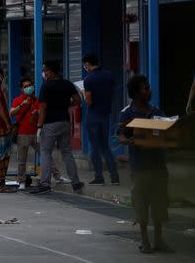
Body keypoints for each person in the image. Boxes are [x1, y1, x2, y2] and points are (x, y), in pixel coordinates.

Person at [117, 75, 175, 254]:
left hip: (158, 164)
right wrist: (130, 141)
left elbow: (168, 131)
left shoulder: (157, 111)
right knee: (142, 204)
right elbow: (120, 136)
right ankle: (144, 241)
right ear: (136, 92)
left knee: (159, 203)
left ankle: (159, 240)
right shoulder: (127, 113)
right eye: (145, 88)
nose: (149, 91)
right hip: (140, 166)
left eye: (149, 87)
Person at [29, 60, 84, 195]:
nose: (44, 73)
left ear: (52, 71)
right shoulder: (67, 84)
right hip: (65, 122)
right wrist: (65, 103)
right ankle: (76, 182)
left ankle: (45, 183)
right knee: (67, 152)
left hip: (50, 124)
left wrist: (39, 126)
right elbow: (77, 100)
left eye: (46, 70)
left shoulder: (46, 86)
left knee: (46, 152)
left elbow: (43, 108)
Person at [82, 53, 120, 186]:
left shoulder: (88, 79)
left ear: (87, 64)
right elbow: (112, 92)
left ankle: (99, 176)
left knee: (95, 148)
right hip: (106, 114)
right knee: (106, 147)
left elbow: (89, 100)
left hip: (93, 115)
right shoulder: (109, 75)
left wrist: (82, 93)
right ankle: (114, 177)